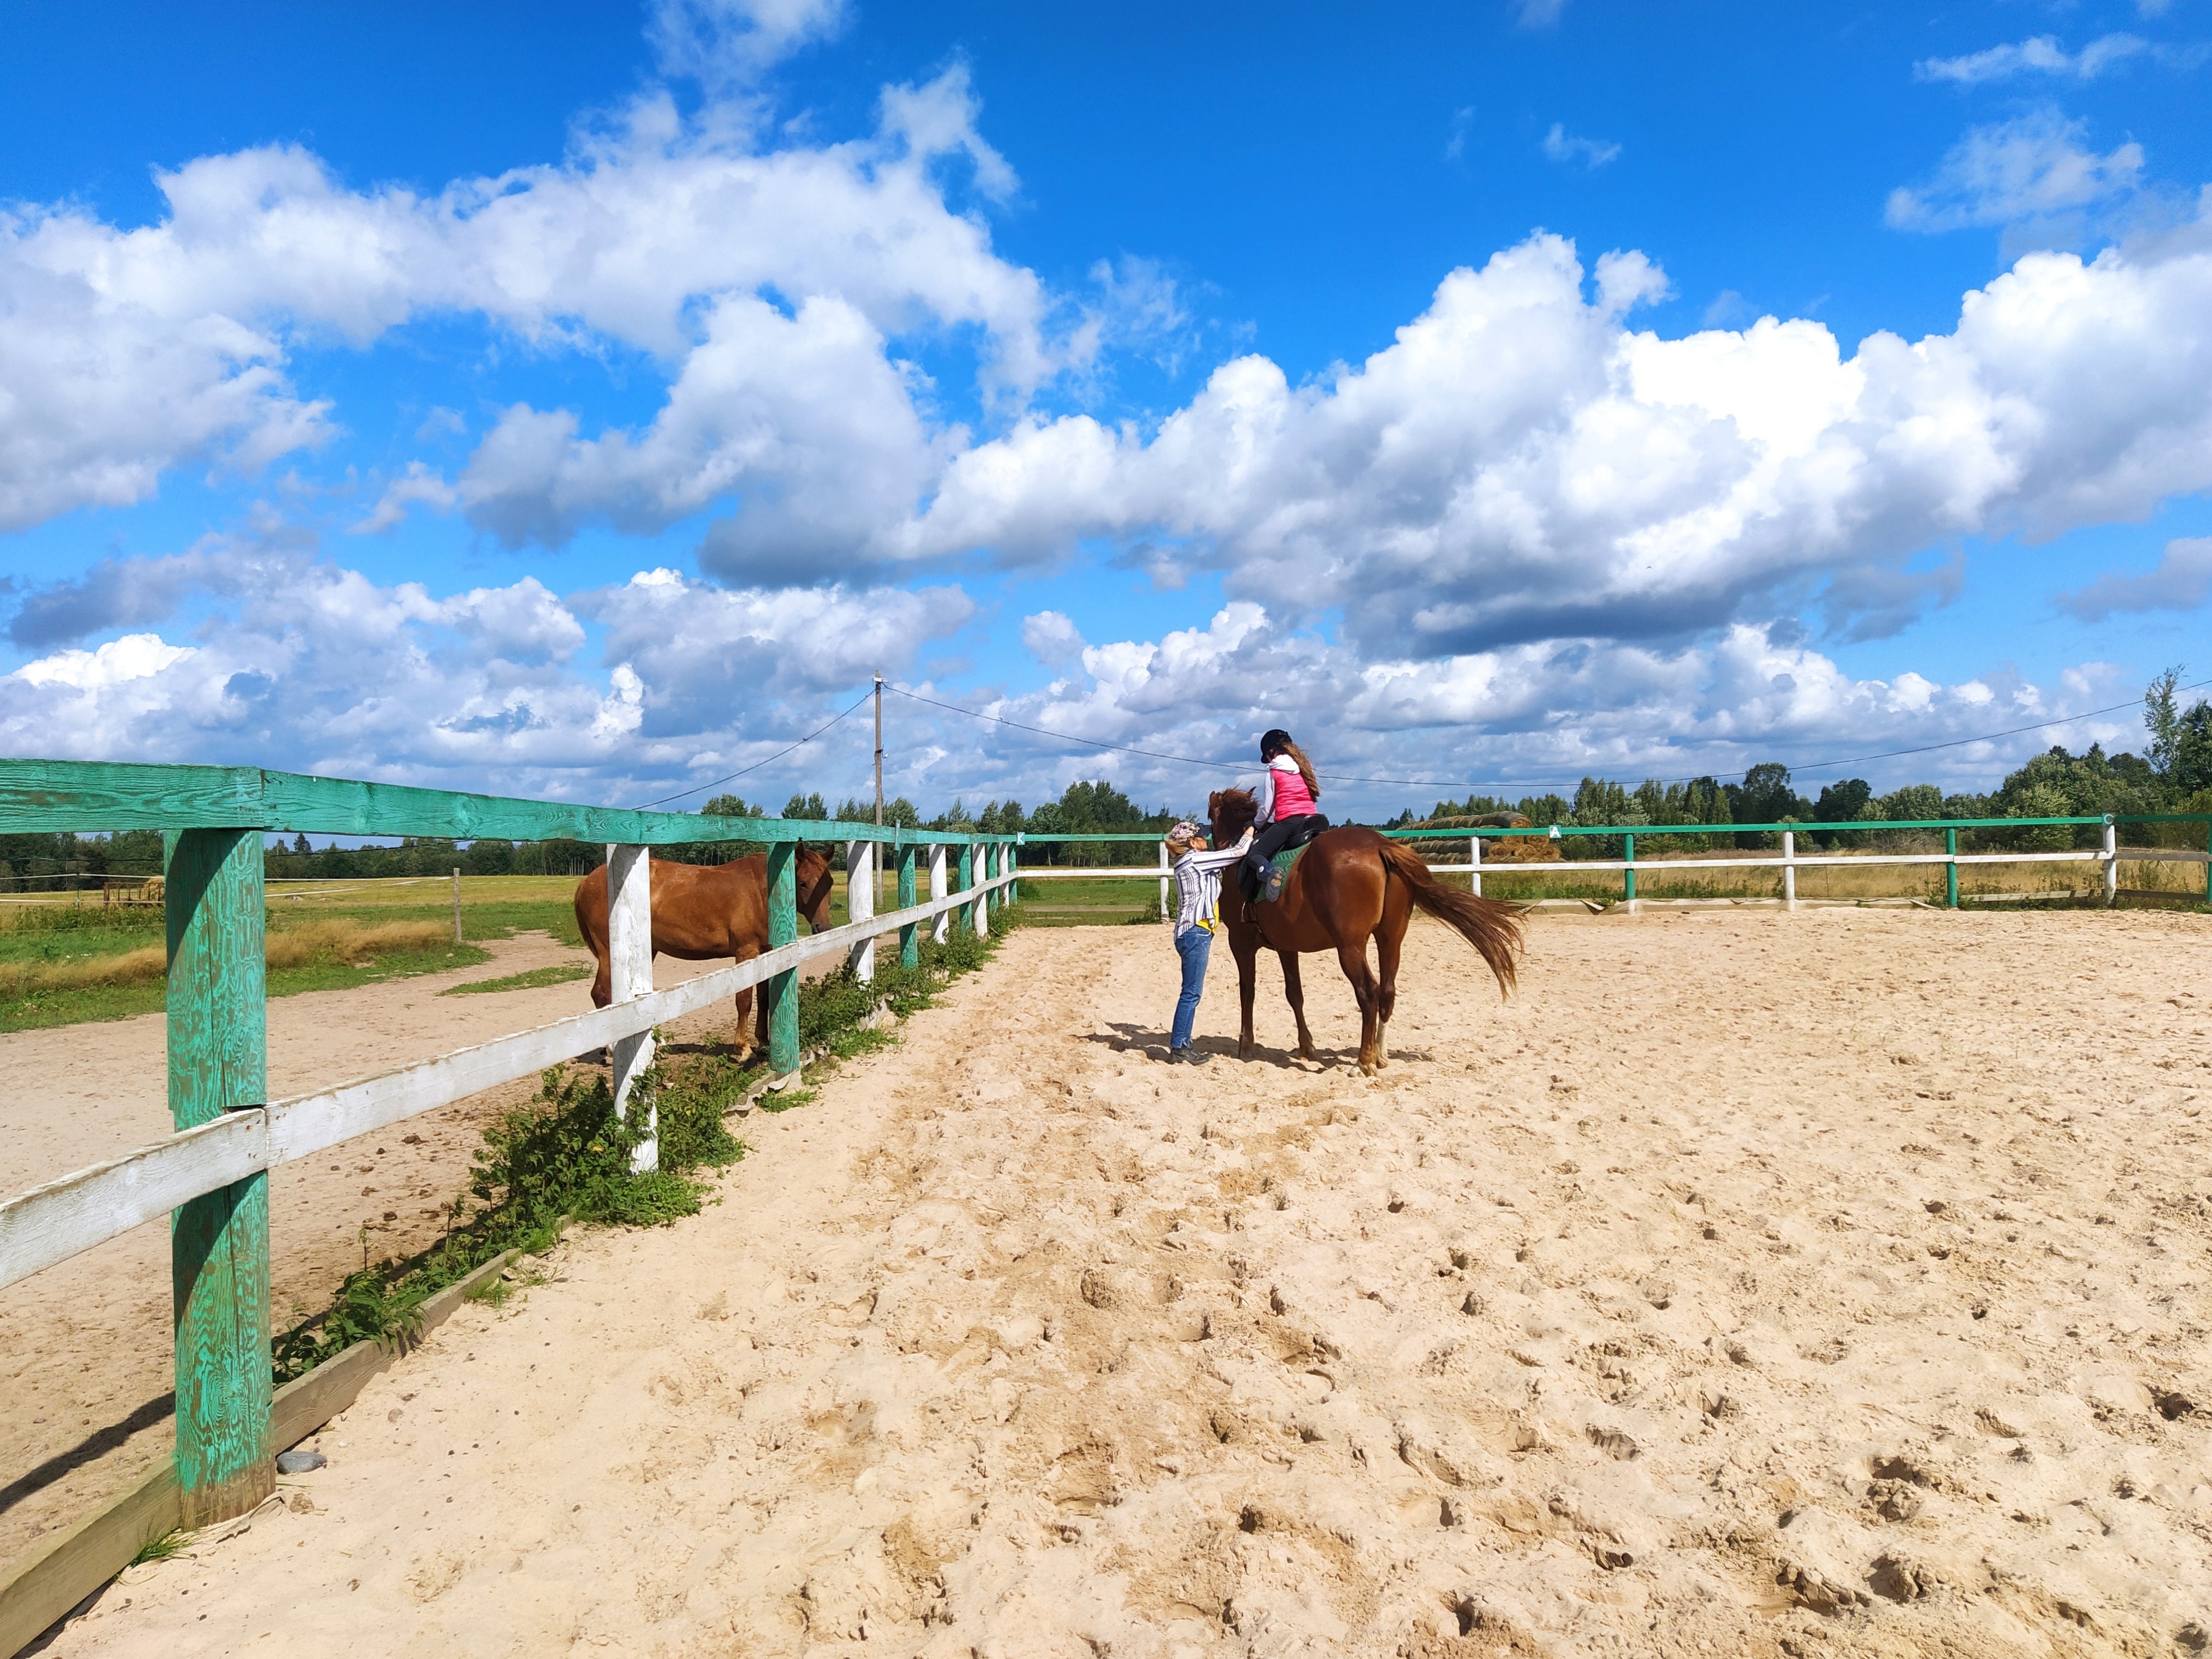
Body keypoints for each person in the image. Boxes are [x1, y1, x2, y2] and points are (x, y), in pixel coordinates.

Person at [1163, 819, 1250, 1064]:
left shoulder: (1187, 862)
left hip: (1191, 932)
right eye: (1201, 837)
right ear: (1192, 842)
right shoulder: (1195, 860)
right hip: (1196, 932)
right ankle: (1179, 1048)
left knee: (1191, 992)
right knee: (1191, 993)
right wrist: (1251, 830)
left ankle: (1184, 1044)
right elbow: (1238, 852)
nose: (1206, 839)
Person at [1239, 728, 1329, 904]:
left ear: (1271, 751)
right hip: (1313, 820)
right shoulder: (1304, 767)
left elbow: (1267, 808)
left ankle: (1270, 873)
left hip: (1289, 822)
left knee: (1255, 853)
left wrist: (1255, 824)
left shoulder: (1274, 771)